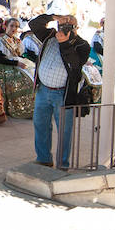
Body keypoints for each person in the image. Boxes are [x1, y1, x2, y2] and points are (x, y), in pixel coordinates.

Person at [27, 14, 90, 167]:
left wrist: (65, 44)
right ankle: (43, 159)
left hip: (63, 94)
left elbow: (75, 64)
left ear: (76, 28)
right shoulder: (50, 35)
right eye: (63, 24)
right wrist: (54, 17)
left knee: (64, 131)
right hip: (43, 90)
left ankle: (63, 164)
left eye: (70, 25)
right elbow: (34, 24)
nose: (64, 28)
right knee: (40, 125)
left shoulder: (82, 45)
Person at [0, 17, 36, 119]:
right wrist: (16, 63)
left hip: (15, 63)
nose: (14, 28)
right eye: (12, 26)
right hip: (3, 66)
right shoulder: (0, 41)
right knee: (23, 79)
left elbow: (20, 55)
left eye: (16, 26)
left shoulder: (17, 40)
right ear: (6, 26)